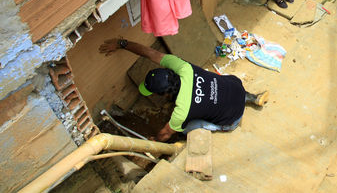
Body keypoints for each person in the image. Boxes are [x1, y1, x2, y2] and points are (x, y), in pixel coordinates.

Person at [98, 38, 269, 142]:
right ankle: (252, 98)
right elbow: (150, 53)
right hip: (236, 88)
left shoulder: (181, 111)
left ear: (165, 94)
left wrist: (156, 140)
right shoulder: (184, 68)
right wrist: (122, 43)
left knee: (187, 128)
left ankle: (189, 137)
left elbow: (165, 134)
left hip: (232, 119)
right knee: (220, 82)